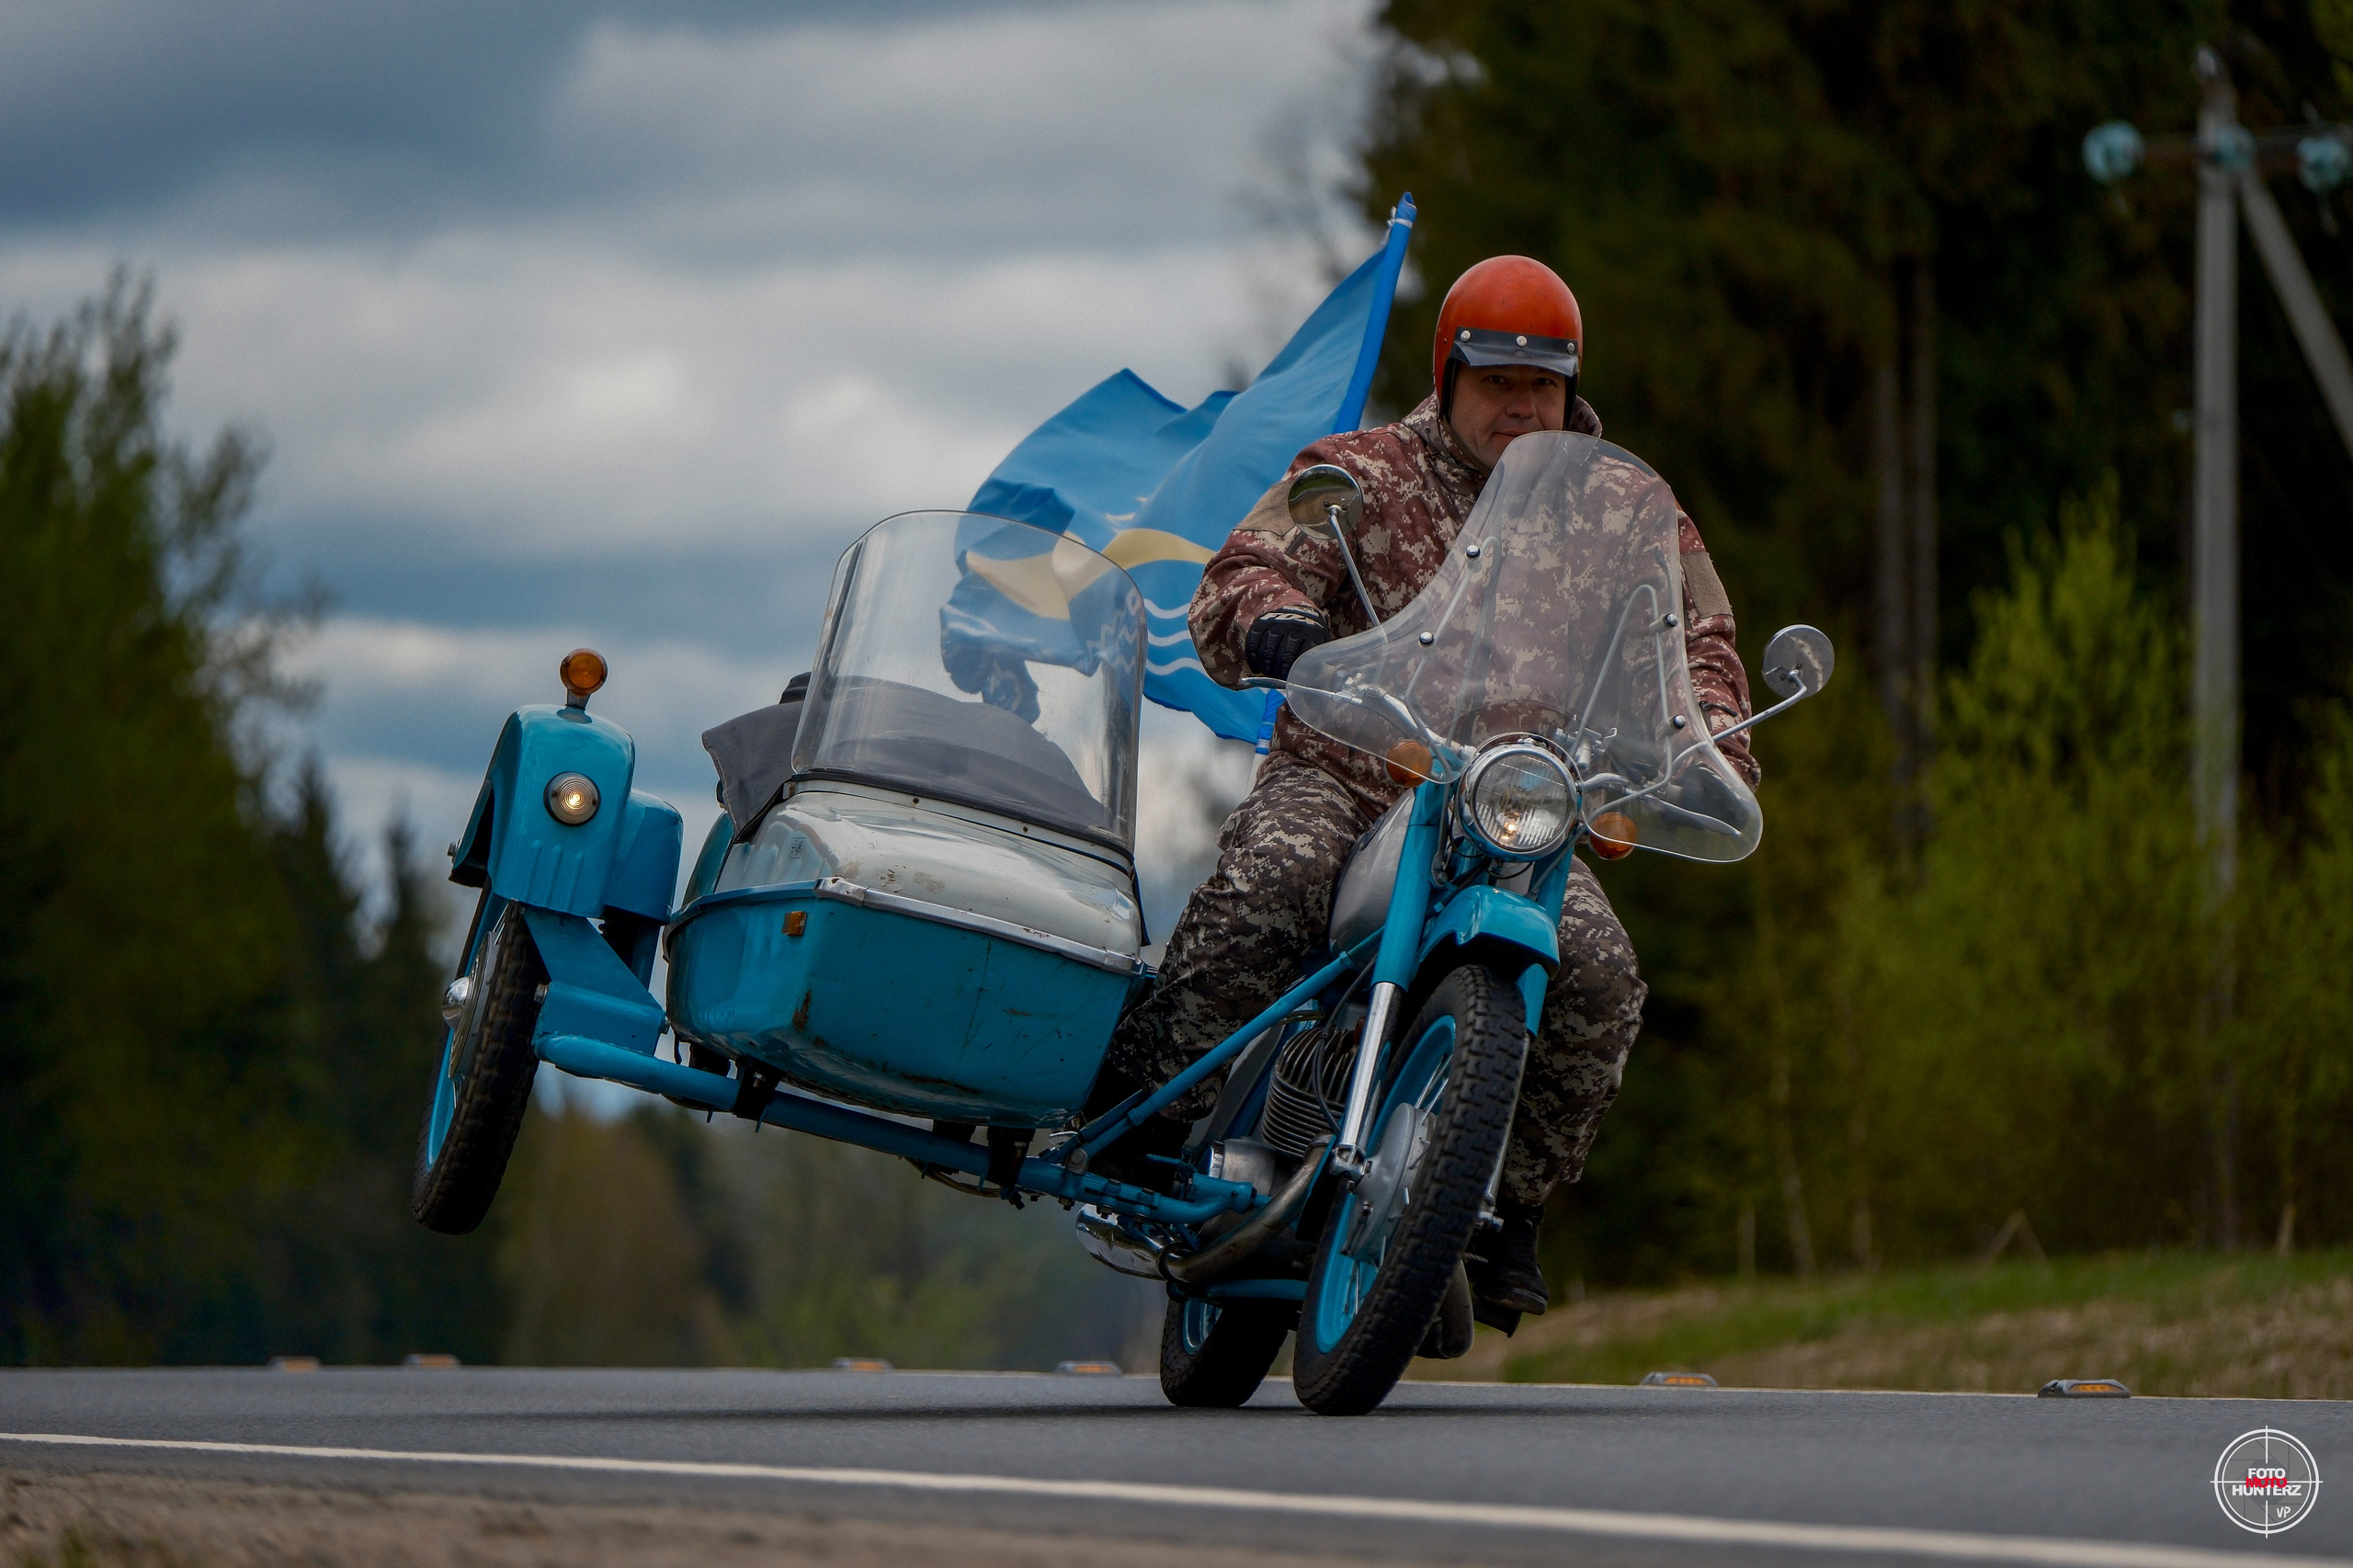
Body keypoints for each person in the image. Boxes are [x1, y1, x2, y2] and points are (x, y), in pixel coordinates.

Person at [1092, 256, 1761, 1325]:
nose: (1518, 405)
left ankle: (1506, 1210)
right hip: (1350, 770)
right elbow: (1242, 566)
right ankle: (1148, 1101)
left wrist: (1713, 737)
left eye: (1538, 384)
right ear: (1448, 374)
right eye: (1496, 380)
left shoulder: (1628, 518)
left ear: (1570, 386)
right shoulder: (1356, 473)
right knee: (1281, 872)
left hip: (1511, 811)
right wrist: (1275, 618)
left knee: (1599, 971)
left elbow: (1700, 642)